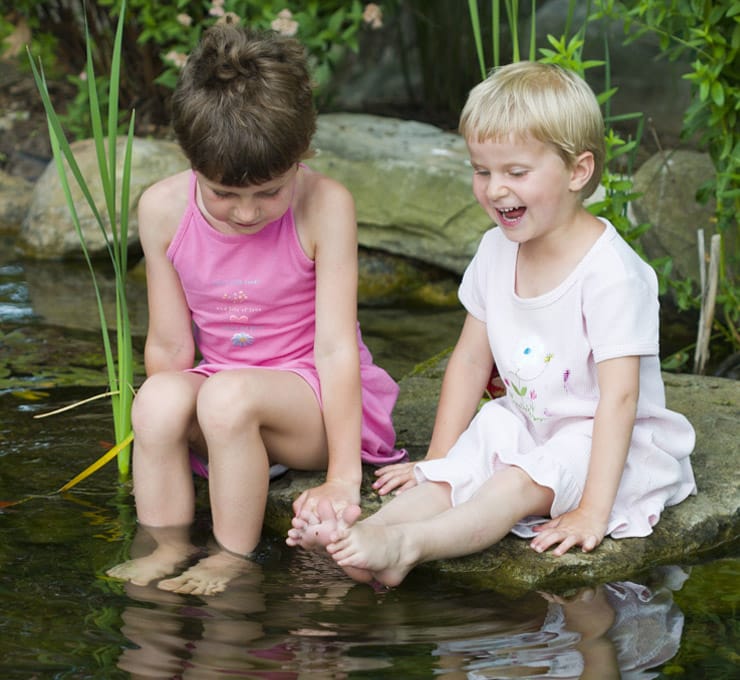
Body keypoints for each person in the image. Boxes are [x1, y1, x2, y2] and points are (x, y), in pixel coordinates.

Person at [287, 61, 696, 587]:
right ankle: (367, 533)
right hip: (529, 424)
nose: (495, 189)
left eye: (516, 173)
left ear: (578, 171)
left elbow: (619, 399)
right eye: (482, 171)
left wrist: (594, 510)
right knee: (469, 458)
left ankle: (406, 546)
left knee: (510, 487)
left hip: (604, 443)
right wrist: (437, 463)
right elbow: (470, 359)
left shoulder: (612, 274)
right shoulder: (496, 250)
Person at [106, 22, 406, 595]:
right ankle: (166, 546)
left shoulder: (326, 206)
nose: (247, 214)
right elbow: (170, 347)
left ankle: (231, 557)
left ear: (301, 155)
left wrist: (344, 475)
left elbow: (336, 346)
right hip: (224, 393)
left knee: (228, 395)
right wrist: (177, 432)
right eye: (224, 195)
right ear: (191, 161)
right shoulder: (162, 209)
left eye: (268, 192)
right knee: (159, 397)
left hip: (310, 403)